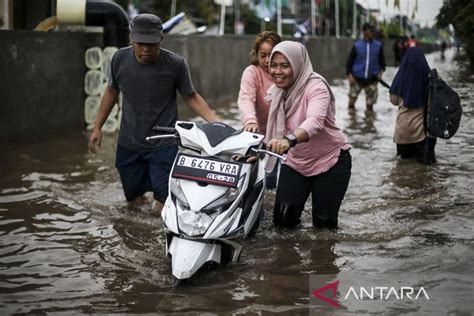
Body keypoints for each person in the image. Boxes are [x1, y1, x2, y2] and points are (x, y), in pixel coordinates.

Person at [88, 13, 220, 212]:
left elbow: (190, 96)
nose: (145, 49)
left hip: (163, 144)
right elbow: (111, 91)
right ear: (131, 39)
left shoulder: (175, 64)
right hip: (129, 142)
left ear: (161, 40)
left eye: (151, 44)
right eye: (140, 43)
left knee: (162, 205)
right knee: (132, 200)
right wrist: (97, 127)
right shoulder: (119, 59)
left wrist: (215, 122)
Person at [265, 41, 352, 229]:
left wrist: (288, 140)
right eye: (274, 65)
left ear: (297, 64)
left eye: (285, 65)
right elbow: (267, 126)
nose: (277, 71)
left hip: (331, 162)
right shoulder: (278, 92)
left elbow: (315, 121)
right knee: (282, 224)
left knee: (324, 228)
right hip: (296, 162)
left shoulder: (316, 87)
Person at [237, 31, 281, 189]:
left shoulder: (285, 73)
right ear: (256, 54)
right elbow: (246, 98)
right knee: (248, 171)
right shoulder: (252, 72)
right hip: (257, 130)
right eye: (263, 55)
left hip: (281, 135)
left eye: (272, 55)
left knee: (272, 177)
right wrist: (250, 120)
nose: (267, 60)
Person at [389, 47, 436, 164]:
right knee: (425, 173)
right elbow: (438, 100)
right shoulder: (433, 78)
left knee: (403, 170)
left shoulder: (400, 77)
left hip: (403, 133)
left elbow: (393, 100)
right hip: (424, 133)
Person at [346, 23, 386, 112]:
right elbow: (349, 62)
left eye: (373, 31)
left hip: (372, 79)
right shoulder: (357, 45)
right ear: (364, 32)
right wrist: (350, 76)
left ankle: (369, 122)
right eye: (370, 31)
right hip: (356, 78)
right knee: (351, 102)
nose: (372, 33)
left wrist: (380, 74)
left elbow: (382, 63)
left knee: (370, 105)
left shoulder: (378, 46)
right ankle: (352, 121)